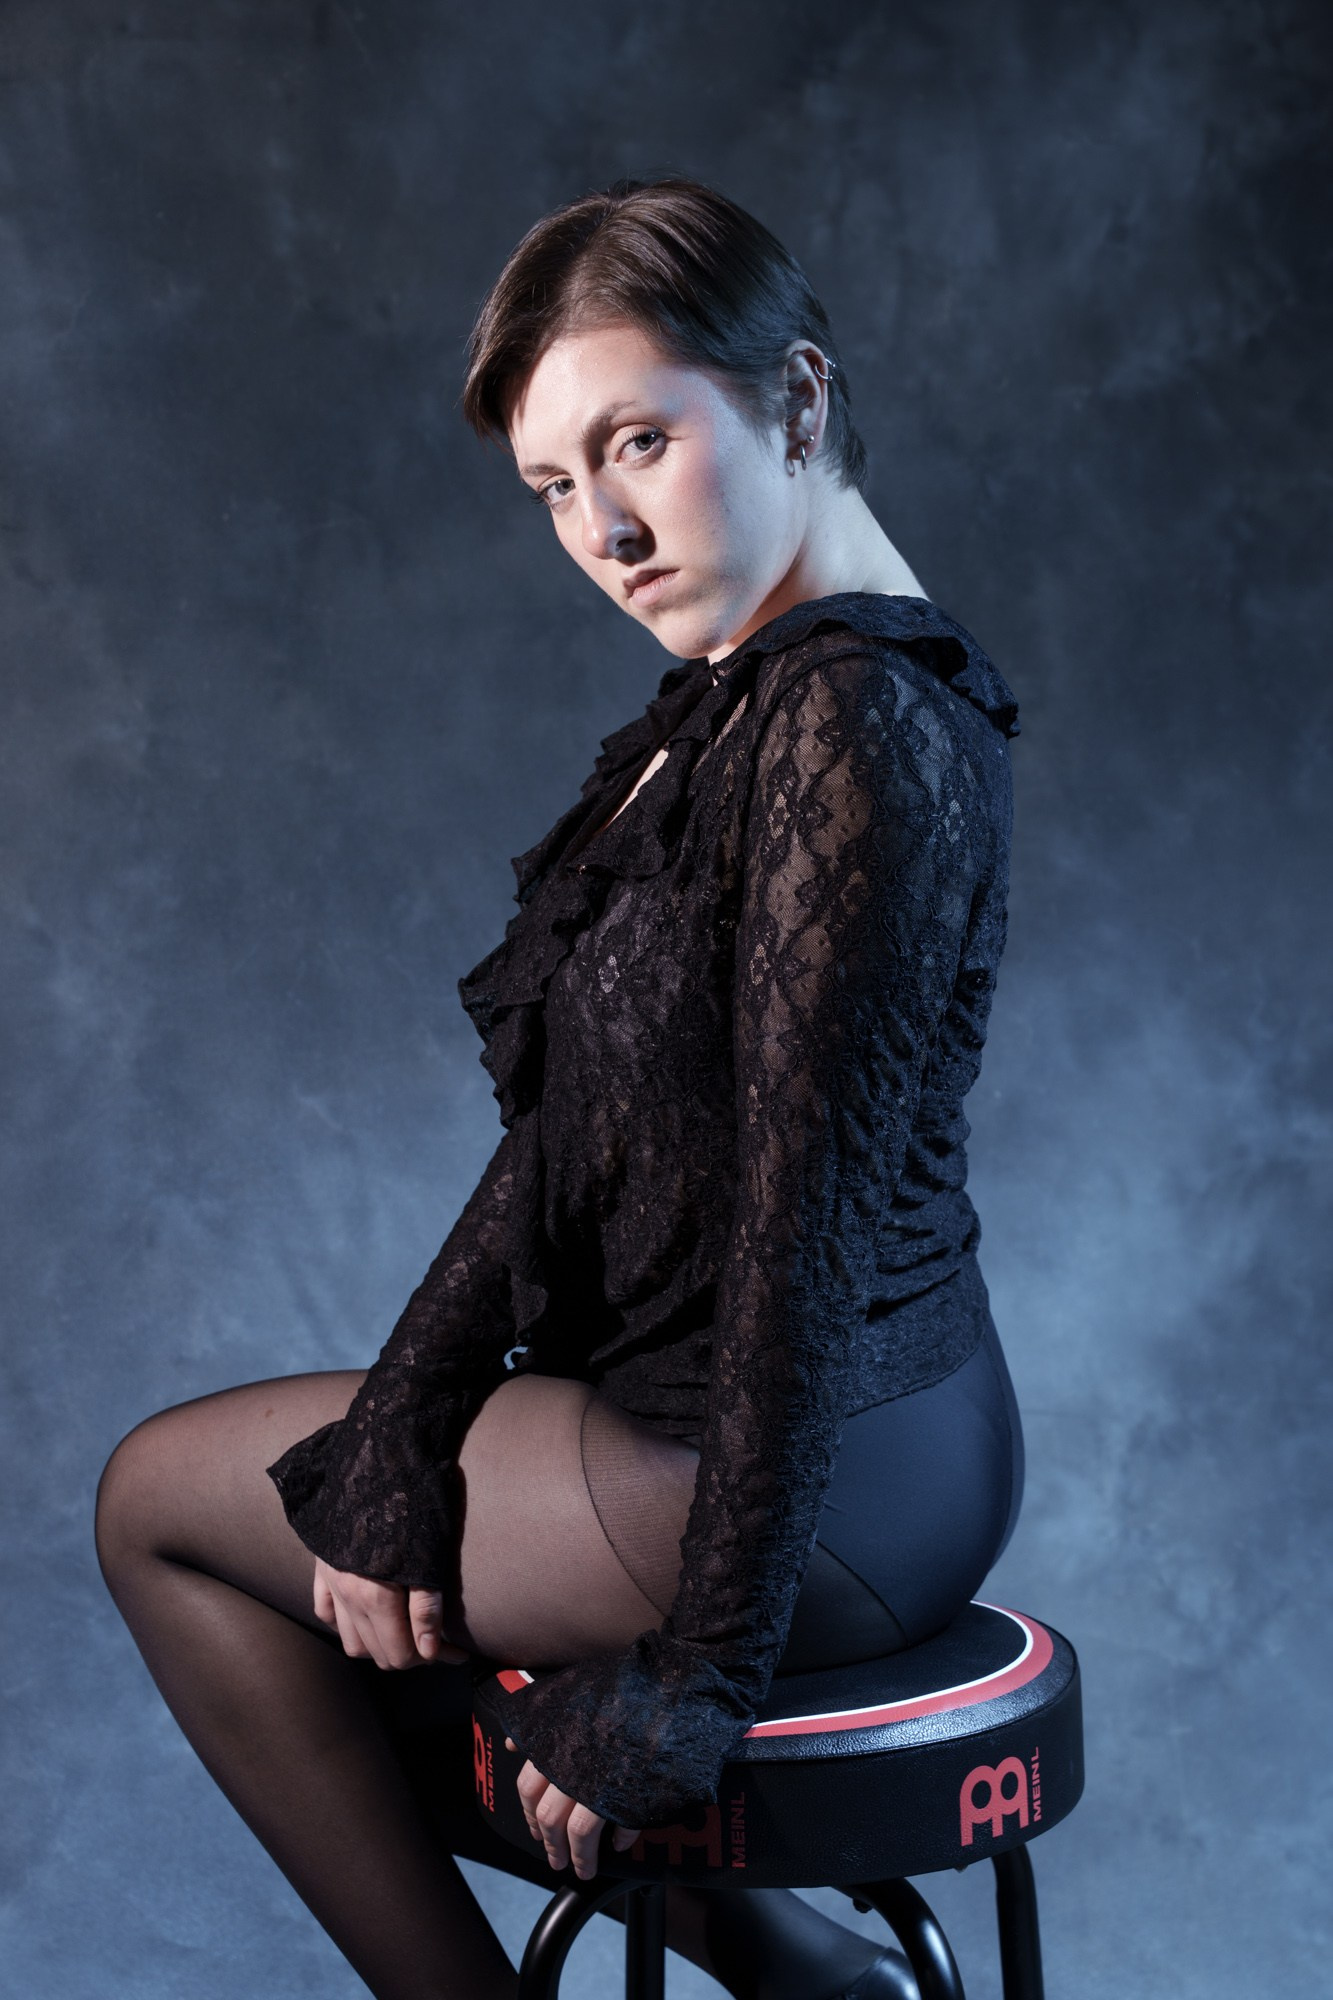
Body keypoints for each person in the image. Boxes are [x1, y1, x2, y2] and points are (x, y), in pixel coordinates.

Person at [94, 176, 1025, 2000]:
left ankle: (754, 1970)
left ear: (797, 402)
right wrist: (400, 1425)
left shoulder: (853, 724)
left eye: (637, 444)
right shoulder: (741, 702)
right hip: (808, 1434)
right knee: (345, 1550)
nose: (600, 528)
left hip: (815, 1474)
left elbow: (801, 1242)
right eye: (549, 487)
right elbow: (567, 1144)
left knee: (160, 1510)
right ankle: (805, 1977)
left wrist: (700, 1677)